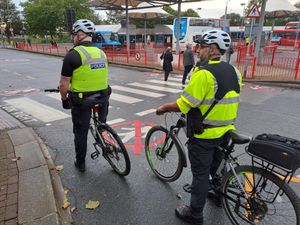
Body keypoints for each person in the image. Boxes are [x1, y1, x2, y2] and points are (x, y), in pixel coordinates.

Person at [156, 29, 242, 225]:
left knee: (201, 175)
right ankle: (219, 197)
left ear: (212, 50)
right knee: (217, 168)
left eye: (201, 47)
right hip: (227, 130)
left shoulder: (204, 74)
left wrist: (163, 108)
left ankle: (195, 215)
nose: (197, 50)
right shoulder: (235, 72)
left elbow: (184, 104)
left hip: (204, 134)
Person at [59, 19, 111, 172]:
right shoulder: (102, 53)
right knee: (102, 125)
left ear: (80, 35)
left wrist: (64, 99)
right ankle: (107, 142)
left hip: (82, 101)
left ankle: (80, 162)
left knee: (80, 133)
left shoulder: (73, 55)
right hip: (103, 98)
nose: (73, 38)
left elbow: (64, 85)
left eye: (74, 34)